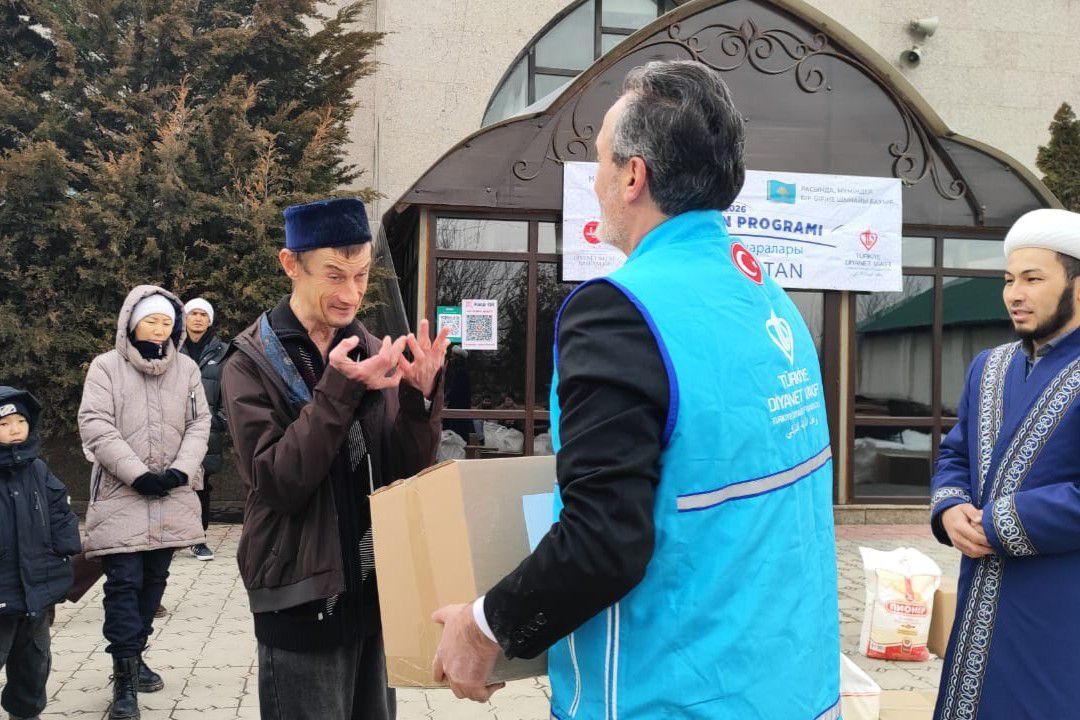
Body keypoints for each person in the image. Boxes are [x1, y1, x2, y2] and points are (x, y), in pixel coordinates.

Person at [432, 60, 840, 719]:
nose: (594, 181)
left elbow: (603, 544)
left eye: (599, 160)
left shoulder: (619, 311)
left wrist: (483, 628)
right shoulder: (769, 298)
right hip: (793, 691)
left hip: (667, 698)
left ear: (632, 177)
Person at [221, 197, 448, 720]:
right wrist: (340, 390)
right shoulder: (252, 361)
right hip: (299, 600)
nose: (351, 294)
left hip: (371, 596)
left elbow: (403, 476)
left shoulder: (369, 347)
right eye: (334, 276)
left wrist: (420, 399)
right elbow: (278, 482)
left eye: (362, 275)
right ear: (290, 264)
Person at [930, 208, 1080, 720]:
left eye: (1033, 279)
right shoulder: (988, 366)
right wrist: (951, 508)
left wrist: (998, 521)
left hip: (1057, 606)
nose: (1015, 293)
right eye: (1009, 280)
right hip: (979, 599)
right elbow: (956, 453)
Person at [78, 286, 211, 720]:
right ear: (132, 324)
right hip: (122, 495)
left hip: (172, 494)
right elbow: (95, 424)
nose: (159, 329)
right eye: (151, 321)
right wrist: (137, 473)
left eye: (166, 323)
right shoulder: (106, 367)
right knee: (123, 585)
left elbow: (200, 423)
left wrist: (180, 471)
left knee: (154, 582)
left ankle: (135, 657)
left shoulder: (187, 369)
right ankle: (123, 680)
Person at [0, 387, 81, 720]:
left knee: (33, 666)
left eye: (21, 421)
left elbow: (60, 511)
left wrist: (63, 551)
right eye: (4, 424)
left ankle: (26, 713)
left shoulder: (38, 469)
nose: (15, 429)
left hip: (35, 592)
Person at [180, 297, 230, 561]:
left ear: (209, 320)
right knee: (173, 484)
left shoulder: (223, 352)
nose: (198, 319)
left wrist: (219, 421)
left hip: (207, 431)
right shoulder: (172, 348)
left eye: (203, 315)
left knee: (201, 484)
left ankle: (198, 539)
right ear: (185, 318)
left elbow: (230, 391)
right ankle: (171, 539)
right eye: (193, 313)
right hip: (174, 430)